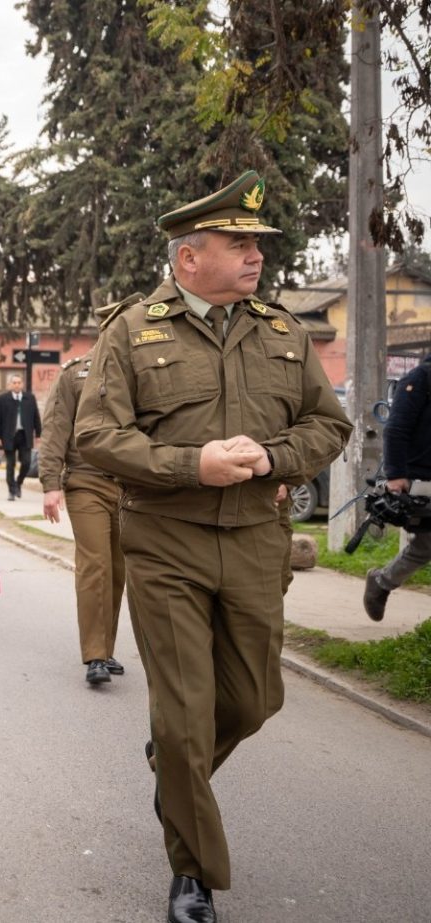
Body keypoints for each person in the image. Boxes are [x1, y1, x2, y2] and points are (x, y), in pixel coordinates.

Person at [74, 171, 351, 923]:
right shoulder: (132, 330)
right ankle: (193, 871)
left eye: (258, 243)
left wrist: (274, 457)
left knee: (256, 698)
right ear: (188, 257)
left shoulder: (285, 329)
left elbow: (329, 426)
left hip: (258, 538)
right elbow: (95, 435)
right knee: (186, 708)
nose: (255, 254)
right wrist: (187, 465)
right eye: (238, 243)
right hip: (165, 542)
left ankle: (173, 763)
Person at [39, 345, 127, 685]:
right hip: (86, 480)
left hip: (128, 485)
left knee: (118, 570)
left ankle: (106, 648)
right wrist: (50, 483)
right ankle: (94, 655)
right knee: (96, 565)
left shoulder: (138, 368)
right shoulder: (76, 373)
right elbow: (56, 427)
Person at [364, 354, 431, 620]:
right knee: (425, 546)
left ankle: (381, 583)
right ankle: (381, 583)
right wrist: (395, 476)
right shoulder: (420, 379)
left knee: (425, 547)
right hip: (420, 480)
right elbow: (396, 429)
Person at [0, 373, 41, 499]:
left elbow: (36, 416)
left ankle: (18, 483)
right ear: (10, 385)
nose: (16, 385)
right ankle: (11, 491)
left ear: (22, 384)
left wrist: (38, 434)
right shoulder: (2, 399)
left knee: (26, 462)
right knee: (10, 464)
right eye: (14, 382)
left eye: (19, 382)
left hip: (25, 435)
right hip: (8, 436)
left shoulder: (29, 398)